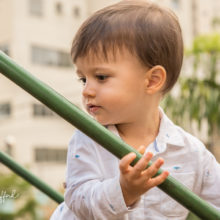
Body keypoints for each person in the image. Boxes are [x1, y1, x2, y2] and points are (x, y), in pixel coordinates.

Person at [51, 0, 220, 219]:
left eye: (101, 77)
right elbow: (77, 199)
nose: (87, 91)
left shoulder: (189, 152)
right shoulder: (88, 139)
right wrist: (123, 191)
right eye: (83, 79)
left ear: (152, 81)